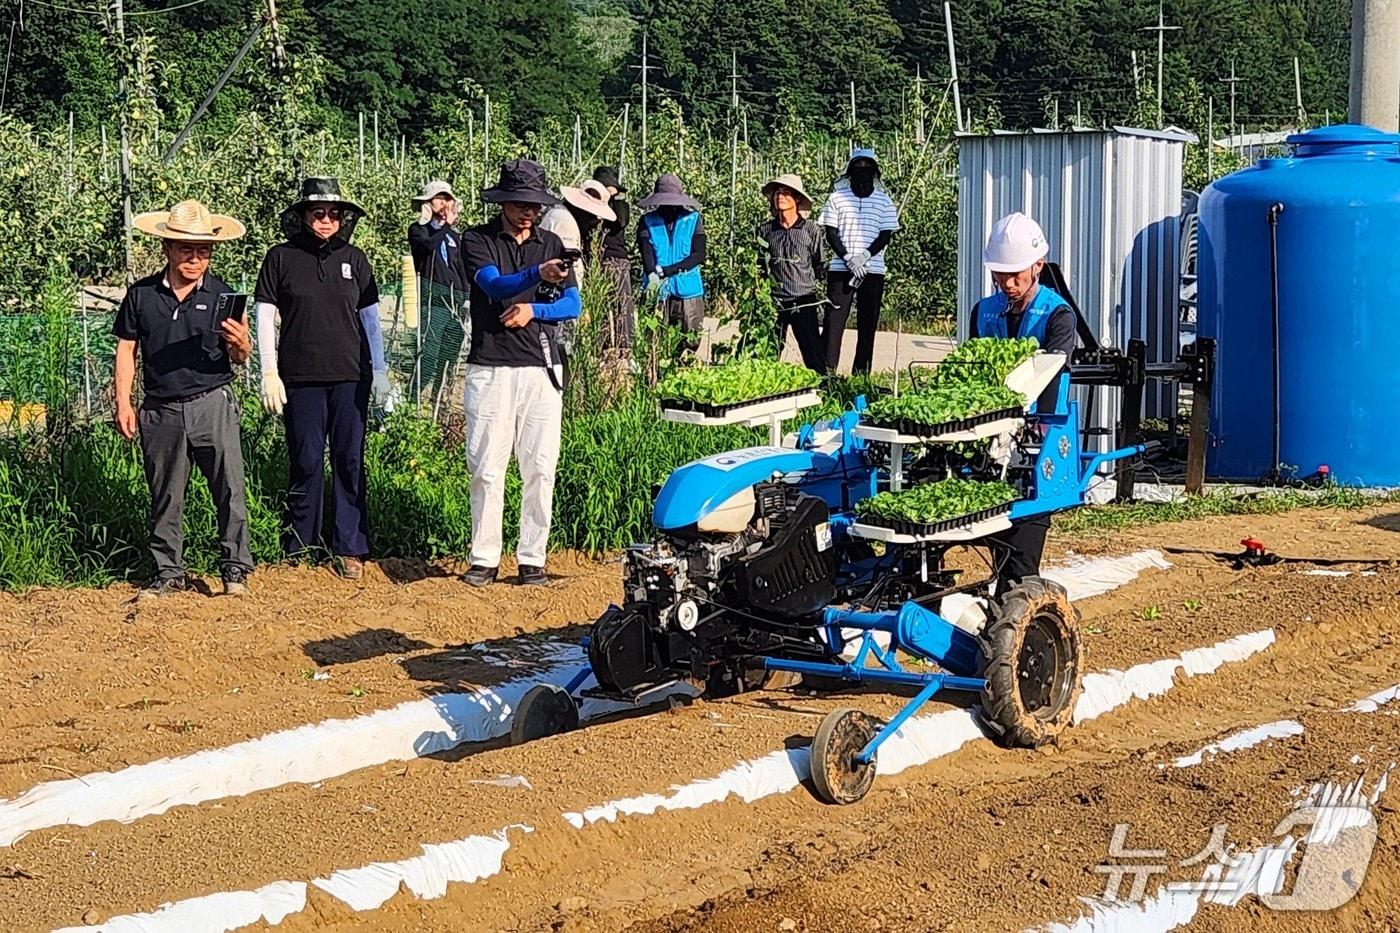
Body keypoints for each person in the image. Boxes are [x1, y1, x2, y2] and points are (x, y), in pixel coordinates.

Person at [114, 199, 254, 600]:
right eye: (186, 249)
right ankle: (168, 572)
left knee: (229, 489)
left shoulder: (224, 294)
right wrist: (123, 402)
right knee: (165, 494)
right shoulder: (141, 296)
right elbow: (126, 350)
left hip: (212, 403)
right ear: (167, 249)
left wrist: (242, 344)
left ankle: (234, 569)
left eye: (203, 250)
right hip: (160, 409)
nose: (195, 258)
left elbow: (240, 356)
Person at [254, 177, 391, 581]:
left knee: (349, 460)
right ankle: (301, 545)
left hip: (351, 376)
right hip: (300, 378)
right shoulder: (280, 258)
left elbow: (370, 320)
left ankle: (350, 547)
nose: (327, 220)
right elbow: (264, 316)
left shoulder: (356, 259)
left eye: (334, 214)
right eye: (319, 213)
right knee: (307, 460)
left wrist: (380, 371)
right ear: (303, 217)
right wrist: (268, 370)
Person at [458, 159, 579, 587]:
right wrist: (533, 275)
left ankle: (532, 557)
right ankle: (484, 557)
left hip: (542, 366)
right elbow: (493, 285)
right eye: (521, 203)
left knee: (541, 465)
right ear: (504, 202)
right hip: (491, 366)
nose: (528, 212)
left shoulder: (552, 243)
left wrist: (534, 310)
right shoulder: (477, 239)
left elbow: (572, 305)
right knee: (488, 466)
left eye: (535, 205)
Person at [971, 212, 1077, 592]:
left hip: (1035, 436)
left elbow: (1051, 375)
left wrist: (1030, 429)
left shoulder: (1058, 315)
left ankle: (1021, 596)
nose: (1007, 283)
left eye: (1015, 275)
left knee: (1023, 542)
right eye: (1000, 275)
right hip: (986, 434)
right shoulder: (983, 311)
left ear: (1038, 266)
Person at [819, 149, 900, 375]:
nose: (862, 173)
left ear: (874, 172)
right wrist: (847, 258)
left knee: (868, 324)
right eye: (858, 168)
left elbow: (885, 234)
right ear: (850, 172)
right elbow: (831, 232)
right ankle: (827, 373)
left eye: (867, 168)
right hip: (840, 269)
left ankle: (861, 374)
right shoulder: (836, 198)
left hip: (872, 270)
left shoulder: (884, 200)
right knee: (834, 323)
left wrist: (865, 256)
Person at [408, 180, 469, 403]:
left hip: (455, 303)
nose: (444, 203)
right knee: (430, 354)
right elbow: (428, 247)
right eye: (439, 199)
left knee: (450, 355)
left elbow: (460, 267)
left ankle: (441, 402)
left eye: (447, 199)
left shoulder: (454, 237)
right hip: (432, 302)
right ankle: (412, 399)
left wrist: (466, 297)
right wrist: (443, 226)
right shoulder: (418, 230)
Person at [757, 173, 825, 371]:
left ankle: (823, 389)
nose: (780, 196)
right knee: (769, 351)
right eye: (777, 192)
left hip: (803, 299)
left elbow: (818, 263)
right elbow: (760, 265)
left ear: (797, 198)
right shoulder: (766, 231)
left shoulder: (810, 230)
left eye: (786, 193)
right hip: (774, 301)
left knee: (812, 351)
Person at [637, 174, 706, 355]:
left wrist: (669, 270)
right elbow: (646, 252)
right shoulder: (647, 221)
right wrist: (652, 273)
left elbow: (699, 254)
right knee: (654, 340)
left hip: (688, 290)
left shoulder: (693, 219)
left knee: (690, 340)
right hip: (657, 288)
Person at [539, 179, 616, 291]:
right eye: (594, 217)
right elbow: (564, 266)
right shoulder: (565, 222)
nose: (595, 222)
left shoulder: (560, 215)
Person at [592, 166, 635, 354]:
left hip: (617, 260)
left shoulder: (620, 206)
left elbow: (621, 221)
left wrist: (608, 199)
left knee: (622, 304)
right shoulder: (588, 206)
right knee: (599, 305)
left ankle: (624, 346)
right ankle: (600, 345)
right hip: (595, 260)